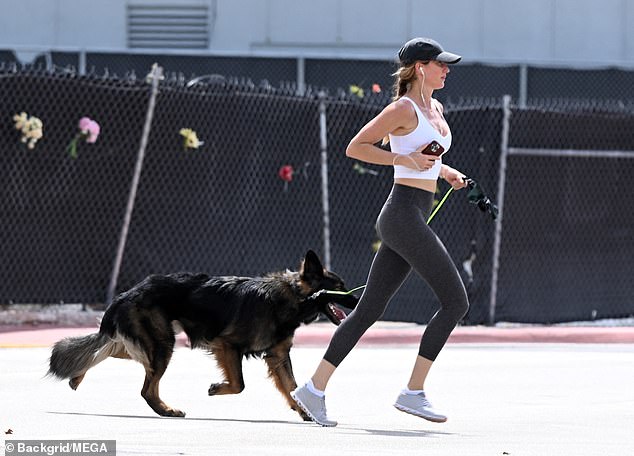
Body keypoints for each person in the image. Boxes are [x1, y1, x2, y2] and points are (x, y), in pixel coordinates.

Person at [291, 37, 470, 427]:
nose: (447, 70)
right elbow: (356, 146)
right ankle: (413, 393)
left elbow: (424, 156)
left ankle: (312, 389)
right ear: (420, 67)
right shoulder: (403, 107)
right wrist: (398, 157)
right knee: (456, 302)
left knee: (369, 310)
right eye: (440, 64)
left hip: (413, 215)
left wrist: (445, 171)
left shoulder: (434, 107)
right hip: (402, 214)